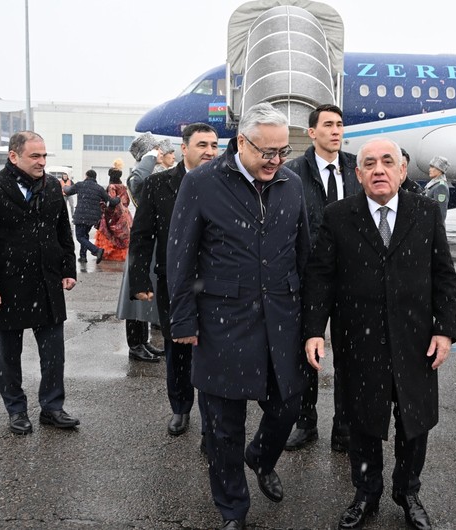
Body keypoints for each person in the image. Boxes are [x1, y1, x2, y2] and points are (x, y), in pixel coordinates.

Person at [167, 103, 309, 530]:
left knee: (288, 405)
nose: (276, 160)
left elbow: (303, 253)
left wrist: (311, 322)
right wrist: (183, 321)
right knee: (222, 428)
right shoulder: (201, 183)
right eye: (267, 152)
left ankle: (261, 456)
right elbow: (180, 256)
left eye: (283, 151)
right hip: (222, 322)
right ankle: (233, 509)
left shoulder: (291, 184)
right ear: (242, 142)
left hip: (281, 320)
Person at [303, 137, 456, 530]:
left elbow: (443, 274)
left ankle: (408, 492)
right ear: (358, 174)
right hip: (359, 339)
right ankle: (366, 493)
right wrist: (314, 330)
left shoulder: (425, 212)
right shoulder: (339, 215)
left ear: (402, 170)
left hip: (415, 339)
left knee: (414, 422)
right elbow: (321, 277)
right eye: (369, 163)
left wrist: (444, 330)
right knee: (362, 422)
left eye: (388, 162)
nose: (378, 170)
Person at [0, 131, 80, 434]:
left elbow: (62, 231)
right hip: (5, 288)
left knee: (54, 355)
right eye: (35, 156)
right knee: (8, 357)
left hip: (47, 284)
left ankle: (52, 408)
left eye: (44, 156)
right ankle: (16, 410)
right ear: (13, 156)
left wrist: (68, 268)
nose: (42, 162)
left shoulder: (52, 187)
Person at [129, 123, 219, 437]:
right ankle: (180, 408)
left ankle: (212, 415)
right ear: (184, 148)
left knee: (213, 349)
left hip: (216, 283)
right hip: (175, 281)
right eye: (202, 145)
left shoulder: (225, 183)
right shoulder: (159, 185)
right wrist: (139, 279)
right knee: (177, 348)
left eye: (214, 145)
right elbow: (141, 236)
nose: (210, 151)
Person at [283, 103, 360, 452]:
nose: (336, 131)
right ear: (312, 132)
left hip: (351, 278)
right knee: (306, 353)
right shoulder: (294, 173)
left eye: (339, 124)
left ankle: (344, 426)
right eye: (328, 125)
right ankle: (306, 421)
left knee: (350, 355)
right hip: (309, 277)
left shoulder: (357, 168)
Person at [119, 135, 165, 363]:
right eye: (155, 149)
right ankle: (135, 345)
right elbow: (138, 180)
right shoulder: (138, 176)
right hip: (142, 245)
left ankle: (143, 341)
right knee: (136, 299)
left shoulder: (153, 175)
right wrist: (150, 156)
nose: (160, 152)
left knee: (146, 297)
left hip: (152, 244)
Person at [63, 169, 120, 264]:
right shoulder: (99, 188)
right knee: (84, 235)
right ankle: (83, 256)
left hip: (81, 215)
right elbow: (111, 201)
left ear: (86, 176)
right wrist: (118, 198)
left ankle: (96, 250)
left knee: (80, 236)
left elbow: (68, 191)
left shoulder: (80, 185)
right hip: (93, 218)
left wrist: (64, 186)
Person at [94, 164, 132, 262]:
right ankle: (121, 254)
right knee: (123, 233)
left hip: (113, 212)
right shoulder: (123, 187)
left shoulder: (112, 186)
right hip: (124, 212)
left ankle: (110, 253)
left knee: (109, 231)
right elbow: (127, 200)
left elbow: (111, 200)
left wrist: (104, 207)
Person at [423, 155, 450, 221]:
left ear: (440, 170)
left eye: (432, 167)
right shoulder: (433, 184)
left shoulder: (441, 187)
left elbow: (440, 213)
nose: (429, 169)